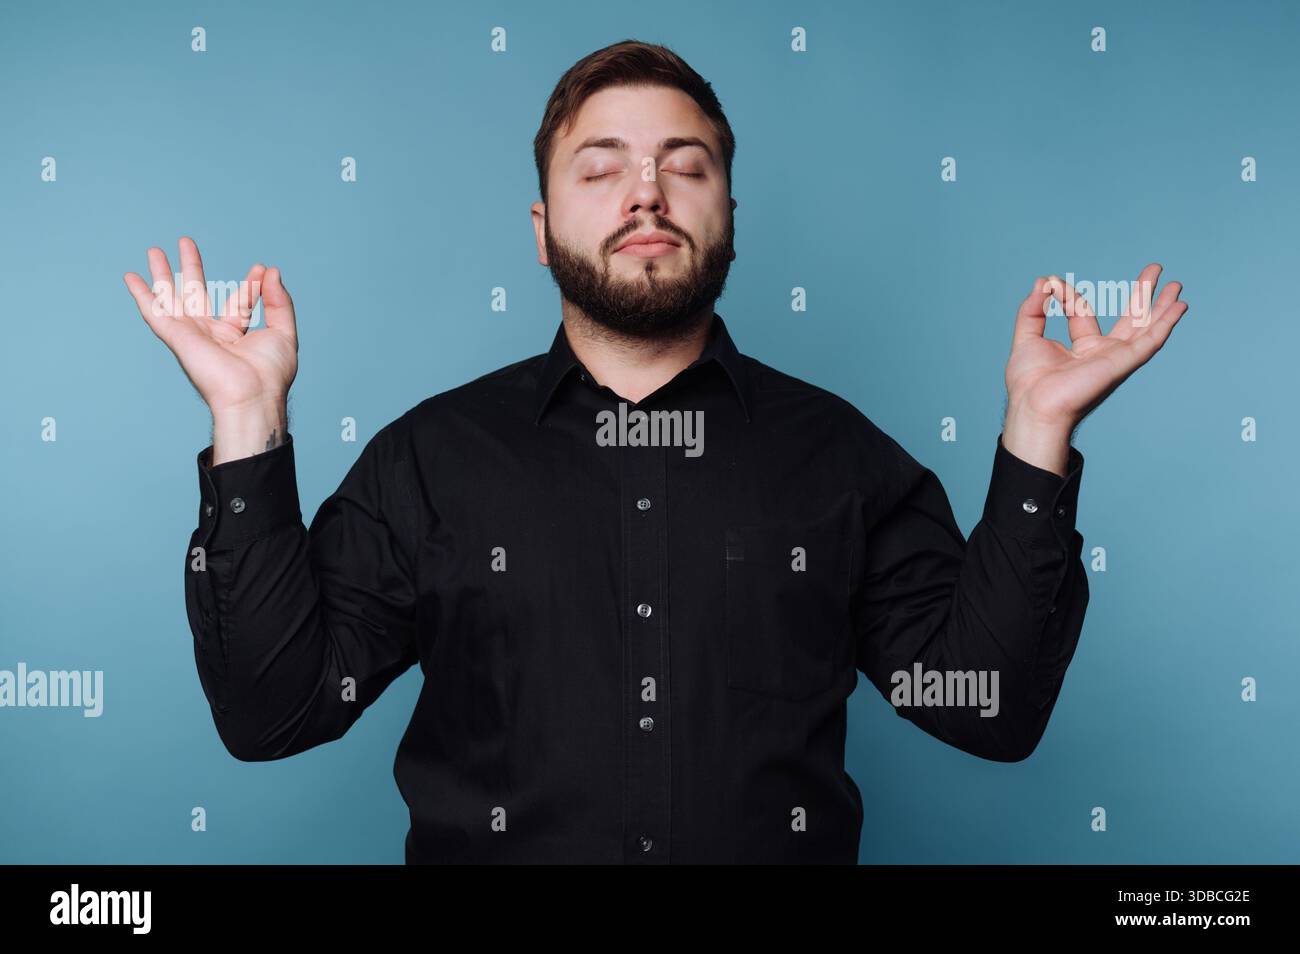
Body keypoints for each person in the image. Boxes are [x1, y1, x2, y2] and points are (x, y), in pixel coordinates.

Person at [123, 39, 1188, 864]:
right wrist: (248, 423)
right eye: (604, 169)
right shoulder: (429, 461)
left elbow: (988, 710)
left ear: (728, 218)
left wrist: (1039, 436)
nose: (646, 192)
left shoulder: (843, 460)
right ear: (541, 230)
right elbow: (272, 714)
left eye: (686, 168)